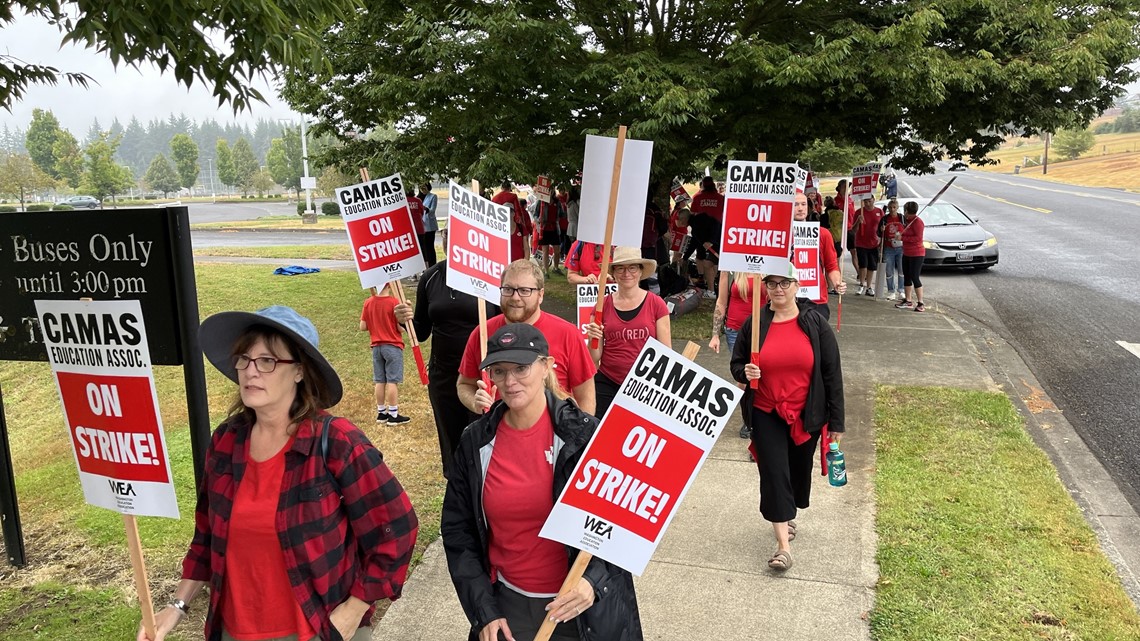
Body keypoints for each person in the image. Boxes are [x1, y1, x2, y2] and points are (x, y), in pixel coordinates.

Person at [141, 306, 418, 641]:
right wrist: (176, 606)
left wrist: (355, 608)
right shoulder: (226, 442)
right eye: (244, 358)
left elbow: (396, 526)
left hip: (317, 628)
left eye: (267, 361)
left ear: (299, 372)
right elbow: (207, 537)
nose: (250, 372)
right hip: (234, 630)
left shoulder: (336, 442)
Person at [443, 323, 643, 641]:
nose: (510, 381)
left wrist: (594, 580)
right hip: (509, 613)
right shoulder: (474, 442)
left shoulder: (586, 435)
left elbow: (624, 522)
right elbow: (458, 532)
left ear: (547, 366)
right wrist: (484, 611)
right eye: (499, 370)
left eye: (522, 368)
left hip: (582, 614)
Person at [729, 271, 845, 572]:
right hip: (766, 411)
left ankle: (788, 510)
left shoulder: (814, 322)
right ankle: (783, 547)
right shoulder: (755, 323)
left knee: (796, 471)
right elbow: (737, 363)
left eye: (784, 283)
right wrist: (746, 373)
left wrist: (837, 422)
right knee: (773, 472)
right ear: (764, 287)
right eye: (771, 284)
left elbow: (832, 373)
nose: (778, 289)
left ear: (796, 286)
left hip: (806, 412)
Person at [394, 262, 500, 479]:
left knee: (483, 439)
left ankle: (484, 490)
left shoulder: (489, 274)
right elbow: (421, 331)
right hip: (443, 376)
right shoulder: (431, 277)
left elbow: (504, 325)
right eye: (446, 234)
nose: (450, 240)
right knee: (451, 440)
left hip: (482, 377)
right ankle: (456, 492)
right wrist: (404, 320)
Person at [458, 260, 597, 415]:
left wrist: (581, 433)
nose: (515, 297)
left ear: (541, 295)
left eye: (525, 290)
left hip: (554, 435)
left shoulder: (568, 334)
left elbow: (586, 396)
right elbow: (464, 384)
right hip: (497, 433)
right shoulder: (482, 333)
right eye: (508, 289)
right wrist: (475, 403)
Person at [583, 247, 670, 418]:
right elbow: (593, 358)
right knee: (600, 434)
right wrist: (592, 338)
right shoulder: (602, 306)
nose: (626, 273)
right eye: (620, 268)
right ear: (613, 272)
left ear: (640, 271)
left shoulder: (657, 304)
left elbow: (666, 352)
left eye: (632, 267)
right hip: (608, 381)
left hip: (645, 384)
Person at [710, 270, 758, 439]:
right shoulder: (731, 269)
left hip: (764, 329)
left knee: (762, 376)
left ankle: (759, 418)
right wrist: (715, 334)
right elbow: (721, 302)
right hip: (736, 332)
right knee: (743, 378)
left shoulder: (769, 261)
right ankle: (749, 418)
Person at [792, 191, 847, 319]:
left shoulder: (823, 234)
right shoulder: (782, 234)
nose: (800, 208)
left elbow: (831, 266)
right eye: (795, 204)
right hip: (788, 300)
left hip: (816, 301)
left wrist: (837, 283)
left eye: (803, 204)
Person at [360, 283, 409, 424]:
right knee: (392, 380)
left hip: (376, 347)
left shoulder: (368, 302)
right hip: (393, 345)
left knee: (380, 380)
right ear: (389, 284)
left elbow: (363, 326)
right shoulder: (394, 302)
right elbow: (400, 328)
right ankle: (393, 414)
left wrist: (375, 321)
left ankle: (381, 412)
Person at [688, 177, 724, 298]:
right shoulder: (721, 198)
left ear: (702, 185)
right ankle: (714, 284)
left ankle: (707, 284)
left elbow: (693, 214)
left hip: (703, 235)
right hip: (718, 234)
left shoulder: (697, 197)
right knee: (714, 261)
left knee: (703, 259)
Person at [896, 200, 927, 312]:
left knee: (915, 277)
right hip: (907, 252)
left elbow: (917, 238)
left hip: (917, 253)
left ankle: (921, 302)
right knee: (907, 276)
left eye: (905, 211)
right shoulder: (907, 221)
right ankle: (908, 300)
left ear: (907, 211)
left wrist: (902, 238)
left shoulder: (918, 222)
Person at [493, 181, 531, 263]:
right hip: (513, 225)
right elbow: (518, 210)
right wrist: (521, 223)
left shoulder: (495, 198)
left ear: (502, 188)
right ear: (509, 188)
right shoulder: (513, 196)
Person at [853, 197, 883, 296]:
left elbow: (882, 227)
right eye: (865, 202)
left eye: (869, 201)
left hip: (874, 243)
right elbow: (853, 230)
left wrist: (882, 233)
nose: (867, 204)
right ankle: (861, 284)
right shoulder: (859, 212)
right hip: (861, 242)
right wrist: (858, 221)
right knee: (863, 265)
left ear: (873, 200)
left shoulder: (879, 212)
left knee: (871, 266)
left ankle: (869, 286)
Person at [879, 199, 905, 301]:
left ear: (897, 207)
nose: (892, 209)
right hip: (888, 247)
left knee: (901, 269)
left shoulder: (901, 218)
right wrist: (881, 230)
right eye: (890, 207)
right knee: (889, 270)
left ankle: (901, 290)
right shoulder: (885, 219)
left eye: (894, 207)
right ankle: (891, 291)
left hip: (901, 247)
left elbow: (907, 229)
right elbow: (878, 233)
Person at [537, 195, 564, 275]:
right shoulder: (541, 201)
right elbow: (535, 214)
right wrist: (539, 220)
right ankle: (546, 271)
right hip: (544, 229)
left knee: (557, 250)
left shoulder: (557, 202)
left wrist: (558, 218)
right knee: (545, 251)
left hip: (554, 228)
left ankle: (556, 268)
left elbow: (562, 214)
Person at [836, 180, 859, 276]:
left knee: (854, 251)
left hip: (850, 229)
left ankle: (859, 272)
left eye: (847, 187)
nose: (846, 189)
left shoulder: (850, 200)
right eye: (844, 187)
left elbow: (853, 214)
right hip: (840, 230)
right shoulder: (836, 201)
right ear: (839, 188)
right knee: (839, 254)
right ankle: (838, 275)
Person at [419, 182, 439, 268]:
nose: (423, 190)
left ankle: (433, 264)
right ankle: (426, 265)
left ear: (428, 188)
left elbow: (432, 210)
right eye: (421, 188)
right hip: (421, 225)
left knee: (430, 246)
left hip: (430, 225)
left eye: (424, 188)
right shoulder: (418, 198)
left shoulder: (433, 196)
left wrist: (425, 208)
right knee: (424, 247)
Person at [563, 186, 580, 261]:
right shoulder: (574, 204)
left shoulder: (568, 204)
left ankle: (570, 259)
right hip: (575, 226)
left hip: (570, 226)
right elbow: (578, 215)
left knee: (572, 244)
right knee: (576, 245)